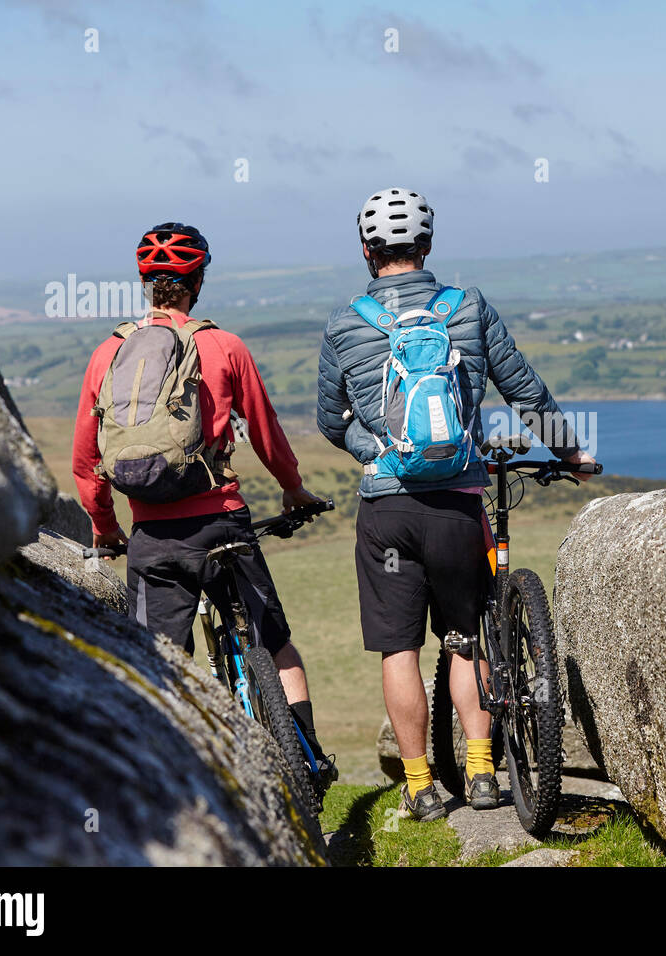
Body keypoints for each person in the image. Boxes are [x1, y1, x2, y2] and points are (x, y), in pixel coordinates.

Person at [317, 188, 596, 821]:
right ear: (428, 246)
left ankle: (418, 785)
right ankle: (480, 774)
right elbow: (524, 389)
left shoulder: (345, 323)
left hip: (387, 510)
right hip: (457, 508)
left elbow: (329, 422)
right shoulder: (467, 308)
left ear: (366, 250)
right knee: (466, 639)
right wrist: (570, 455)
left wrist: (376, 450)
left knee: (399, 650)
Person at [73, 222, 330, 765]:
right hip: (222, 523)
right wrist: (293, 489)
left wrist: (106, 528)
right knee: (276, 645)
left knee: (157, 662)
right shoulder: (223, 345)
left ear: (145, 282)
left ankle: (172, 769)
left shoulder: (108, 355)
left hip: (153, 535)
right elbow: (265, 431)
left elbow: (86, 460)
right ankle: (309, 761)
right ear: (199, 281)